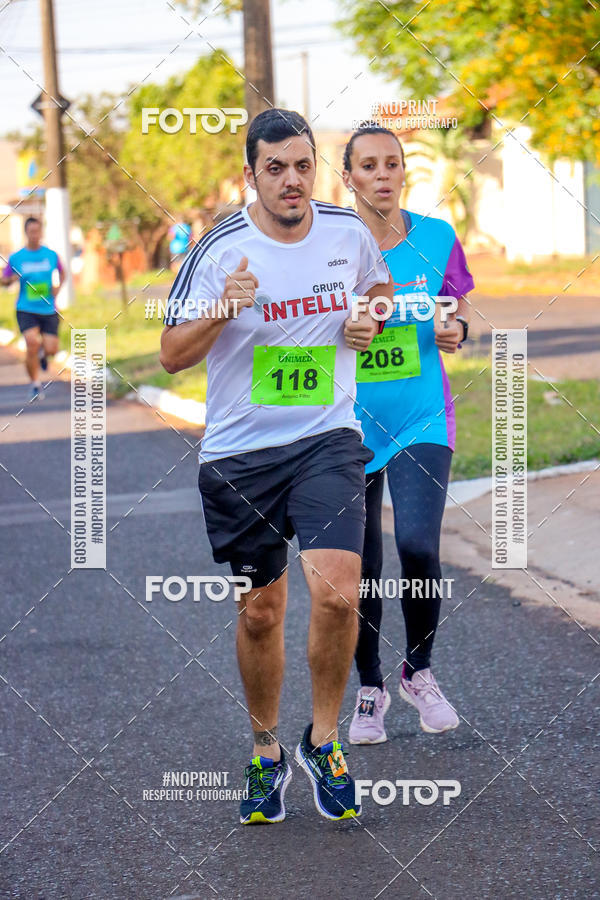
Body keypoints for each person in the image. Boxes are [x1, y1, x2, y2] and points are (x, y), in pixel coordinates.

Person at [160, 109, 393, 824]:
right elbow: (170, 354)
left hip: (327, 437)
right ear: (250, 174)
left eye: (302, 165)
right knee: (260, 610)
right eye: (275, 168)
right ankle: (265, 750)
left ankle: (322, 741)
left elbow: (377, 287)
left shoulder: (347, 233)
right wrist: (224, 311)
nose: (291, 181)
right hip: (240, 455)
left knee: (336, 592)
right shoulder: (219, 249)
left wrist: (371, 317)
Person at [341, 125, 474, 743]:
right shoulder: (329, 248)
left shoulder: (438, 237)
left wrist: (458, 333)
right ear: (349, 178)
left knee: (419, 547)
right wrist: (346, 333)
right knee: (361, 565)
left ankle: (417, 670)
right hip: (346, 422)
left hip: (423, 414)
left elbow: (455, 309)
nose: (384, 174)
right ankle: (368, 688)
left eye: (392, 163)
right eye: (369, 165)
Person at [1, 216, 65, 400]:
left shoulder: (51, 255)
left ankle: (43, 354)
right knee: (31, 343)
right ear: (26, 233)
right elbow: (4, 280)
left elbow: (62, 272)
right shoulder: (16, 257)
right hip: (25, 308)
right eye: (31, 232)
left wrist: (57, 288)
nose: (35, 235)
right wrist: (9, 280)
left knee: (52, 348)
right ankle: (35, 384)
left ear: (41, 232)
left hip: (48, 308)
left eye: (37, 231)